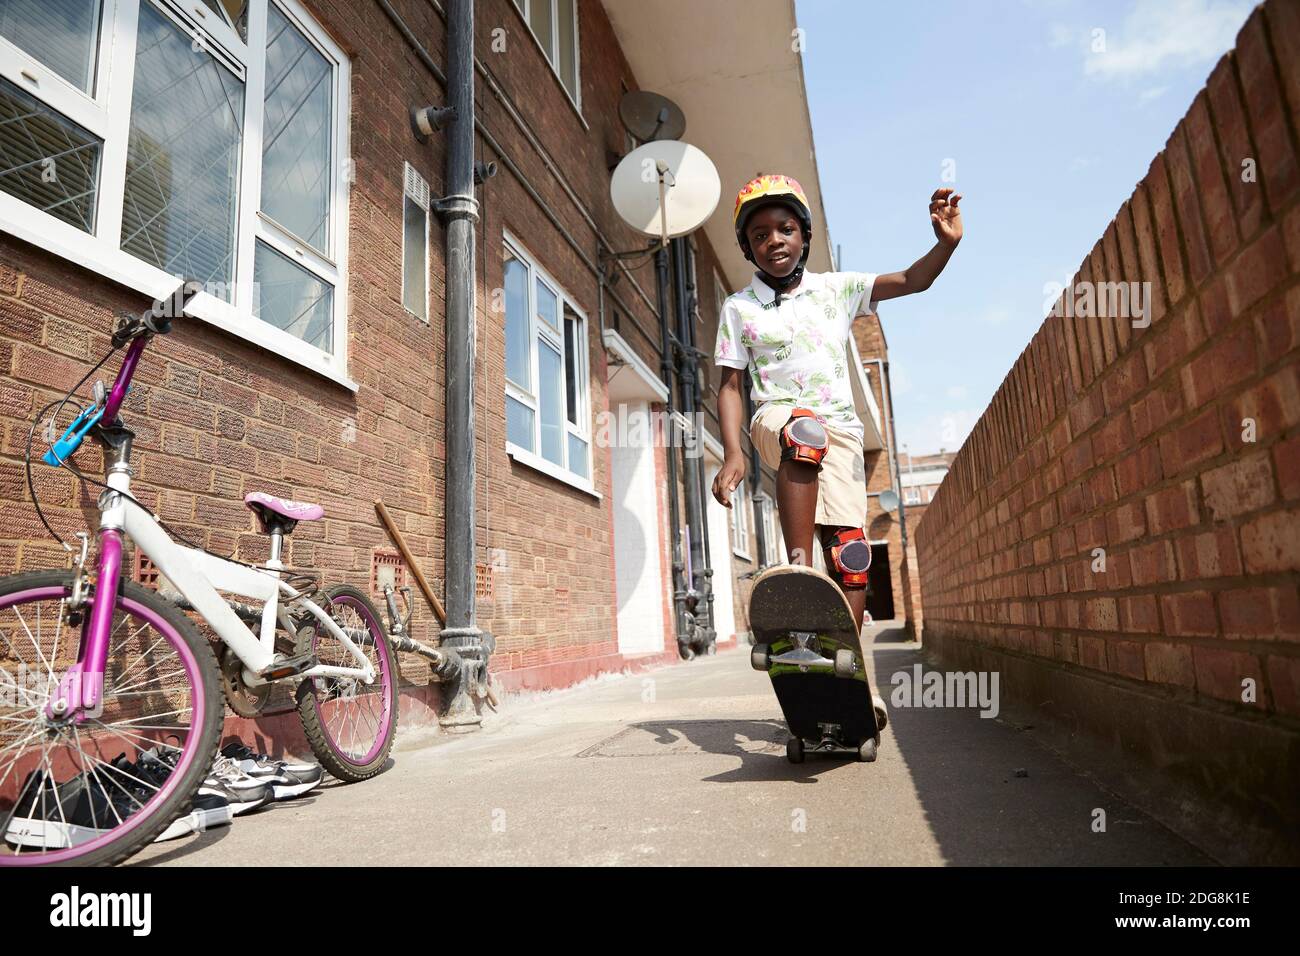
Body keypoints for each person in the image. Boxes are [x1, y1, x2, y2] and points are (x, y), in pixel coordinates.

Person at [711, 173, 963, 724]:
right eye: (759, 236)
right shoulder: (739, 307)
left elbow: (912, 281)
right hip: (776, 420)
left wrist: (944, 244)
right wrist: (733, 454)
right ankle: (799, 570)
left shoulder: (836, 289)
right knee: (804, 432)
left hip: (844, 435)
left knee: (851, 557)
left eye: (784, 229)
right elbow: (730, 385)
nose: (773, 241)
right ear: (748, 247)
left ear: (802, 235)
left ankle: (849, 677)